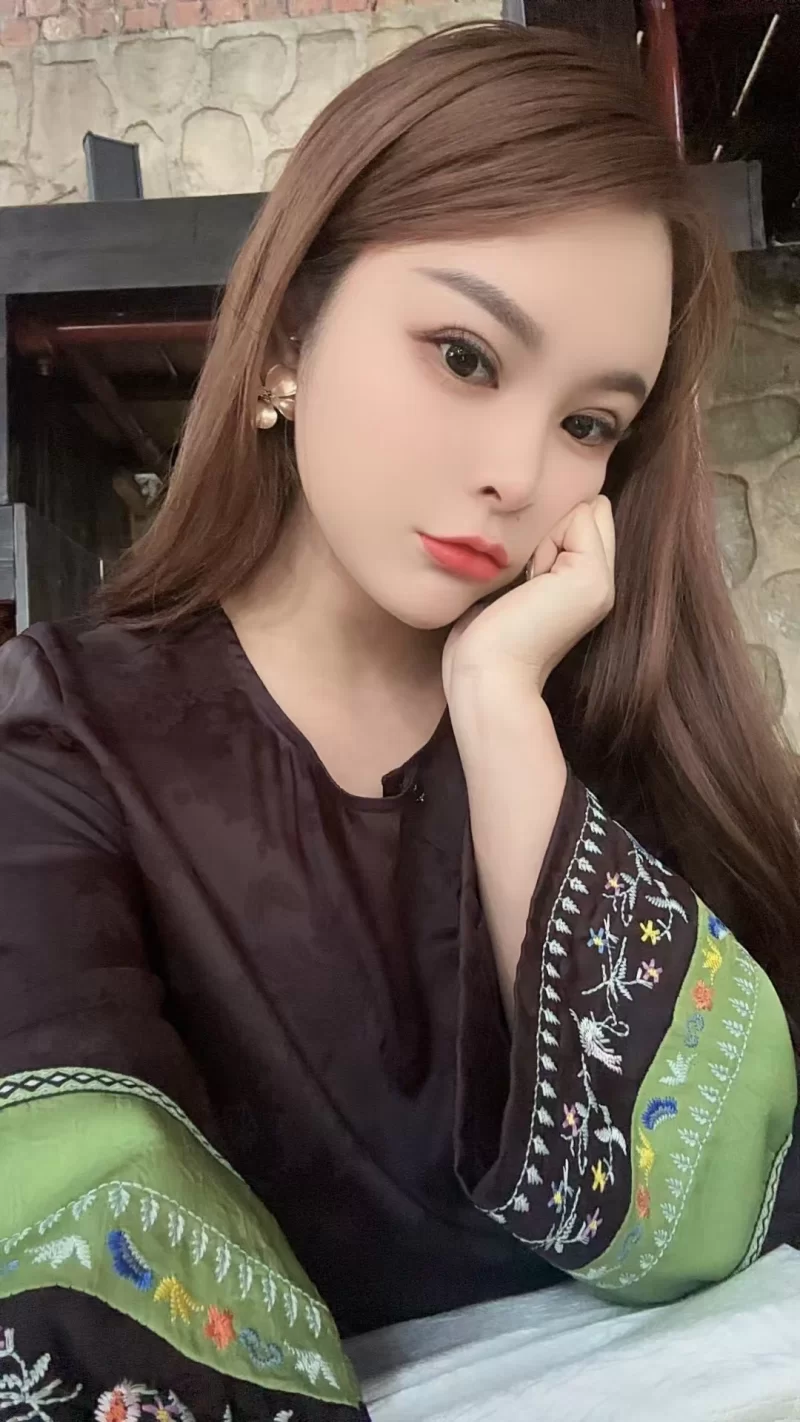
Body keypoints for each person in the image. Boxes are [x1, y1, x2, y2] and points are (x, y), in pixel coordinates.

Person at [0, 19, 797, 1422]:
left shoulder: (623, 740)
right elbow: (73, 1265)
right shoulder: (62, 737)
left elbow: (714, 1218)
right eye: (467, 356)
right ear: (287, 340)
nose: (519, 473)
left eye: (591, 424)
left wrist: (501, 716)